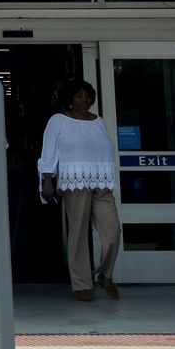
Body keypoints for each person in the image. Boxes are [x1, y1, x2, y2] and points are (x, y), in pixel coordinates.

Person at [38, 79, 120, 302]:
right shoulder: (59, 120)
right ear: (70, 99)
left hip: (101, 181)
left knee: (112, 231)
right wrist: (47, 179)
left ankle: (104, 274)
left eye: (87, 96)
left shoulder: (98, 121)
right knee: (78, 234)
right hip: (75, 181)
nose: (84, 100)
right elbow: (48, 150)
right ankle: (82, 284)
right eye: (78, 96)